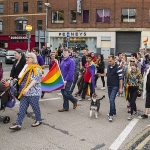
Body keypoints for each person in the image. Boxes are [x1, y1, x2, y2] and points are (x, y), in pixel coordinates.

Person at [9, 52, 42, 131]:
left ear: (33, 59)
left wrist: (27, 89)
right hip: (24, 92)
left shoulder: (37, 68)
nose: (26, 58)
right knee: (22, 108)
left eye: (28, 57)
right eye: (26, 57)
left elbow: (35, 80)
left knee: (35, 107)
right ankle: (18, 124)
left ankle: (39, 120)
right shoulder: (26, 66)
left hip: (33, 93)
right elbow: (22, 76)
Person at [99, 55, 123, 122]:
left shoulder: (118, 67)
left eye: (110, 61)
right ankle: (114, 111)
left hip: (115, 86)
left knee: (111, 99)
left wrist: (121, 88)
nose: (109, 62)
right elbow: (108, 74)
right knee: (111, 100)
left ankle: (111, 115)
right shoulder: (109, 66)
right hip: (109, 86)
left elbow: (121, 78)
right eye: (108, 61)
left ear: (114, 60)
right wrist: (101, 75)